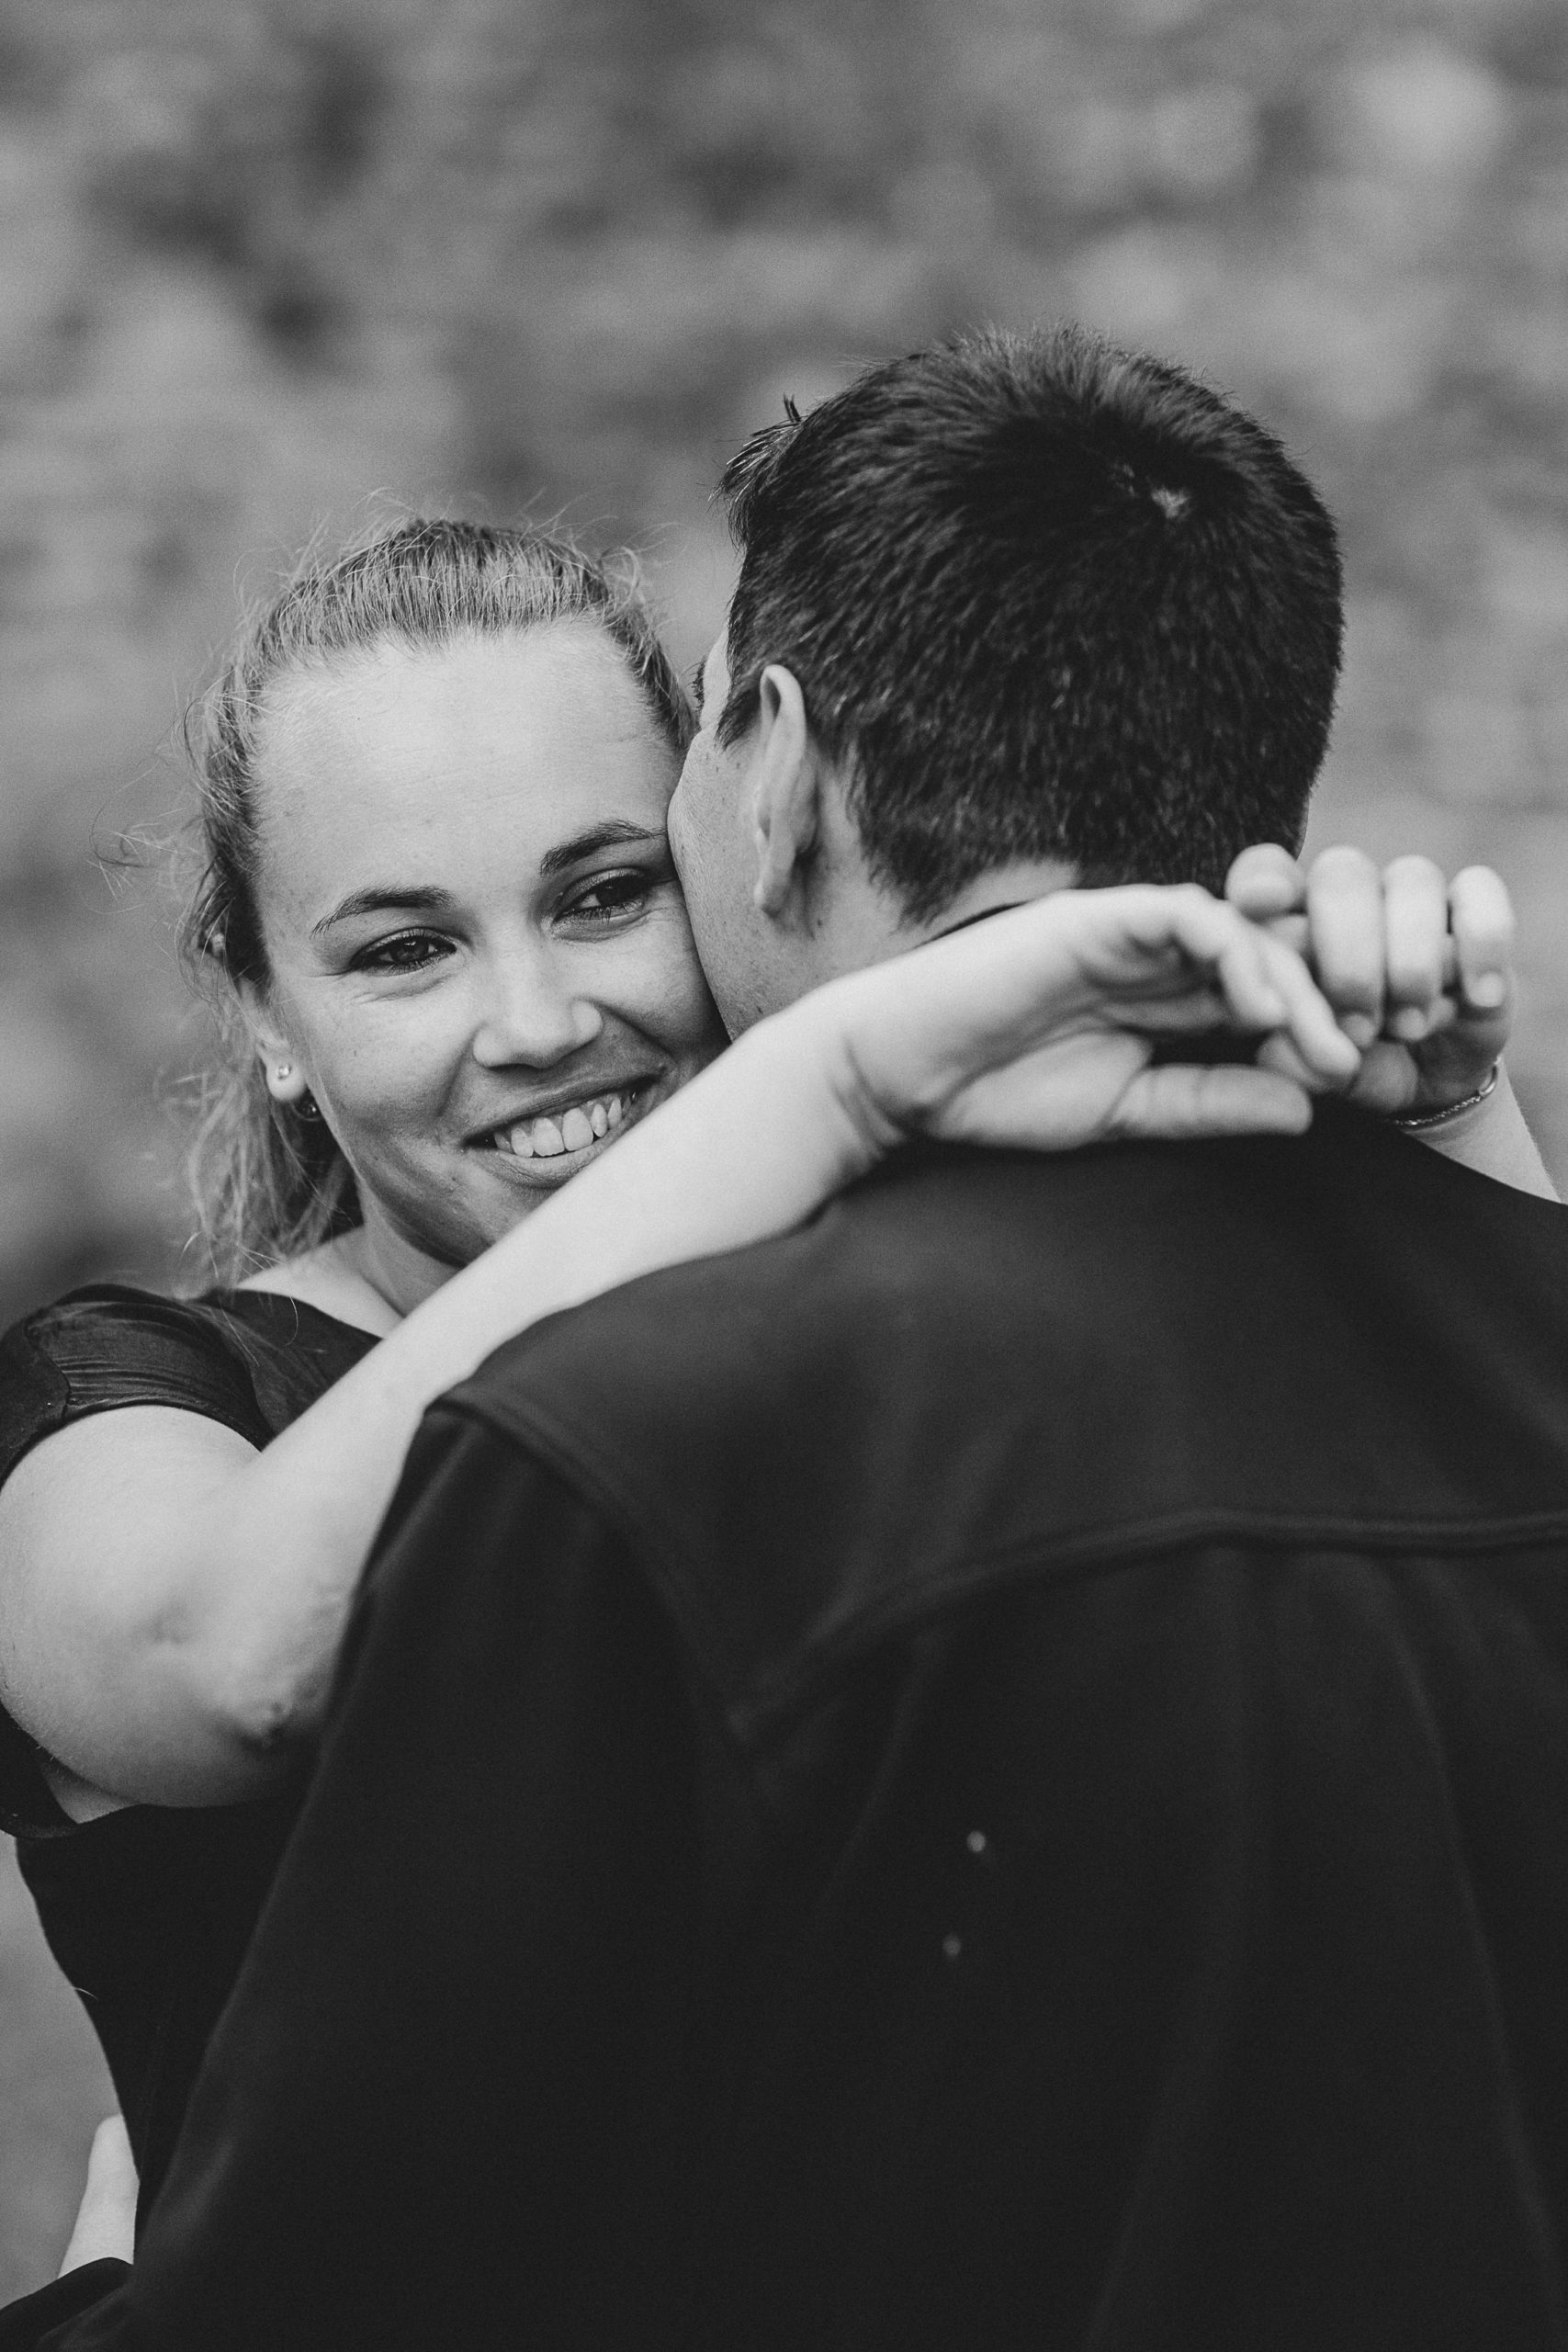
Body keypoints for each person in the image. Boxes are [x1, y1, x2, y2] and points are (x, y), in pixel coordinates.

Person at [11, 322, 1568, 2349]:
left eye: (595, 892)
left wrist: (1455, 1123)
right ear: (264, 1020)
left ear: (730, 812)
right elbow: (218, 1656)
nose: (535, 1021)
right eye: (400, 947)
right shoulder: (130, 1399)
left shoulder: (888, 1351)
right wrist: (838, 1066)